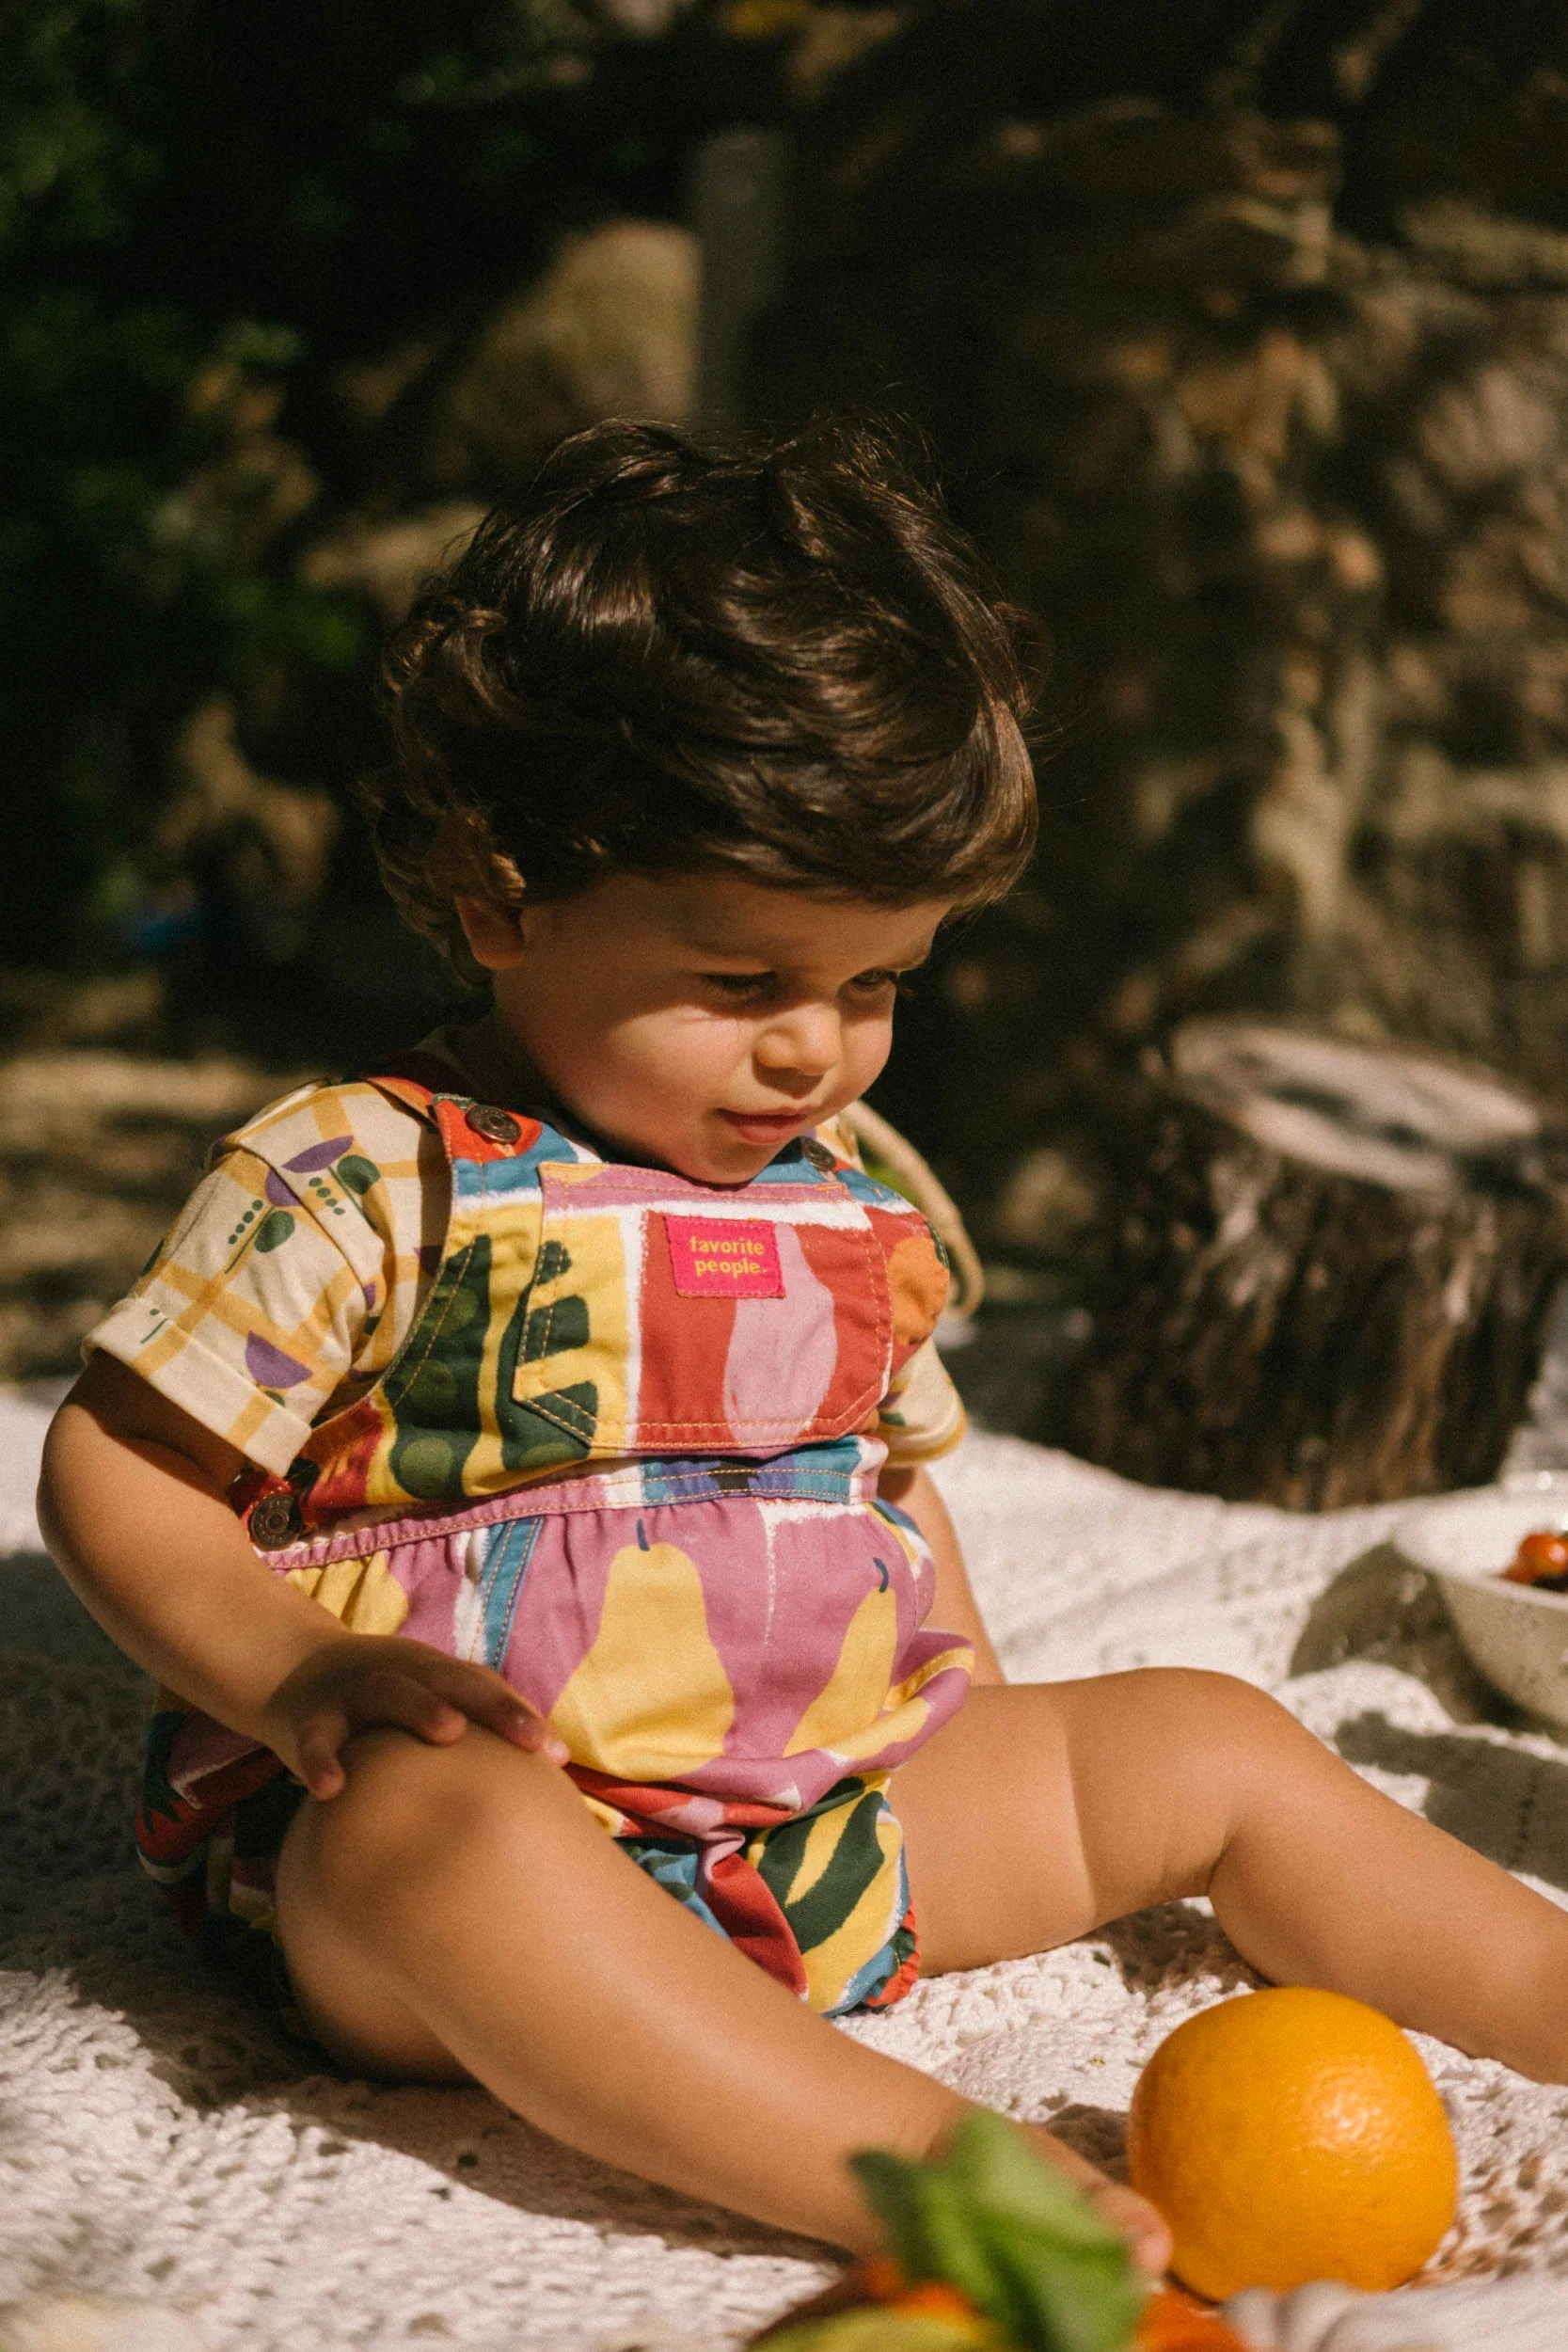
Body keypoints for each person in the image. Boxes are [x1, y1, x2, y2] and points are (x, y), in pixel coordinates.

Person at [38, 421, 1568, 2280]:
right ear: (499, 893)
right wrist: (296, 1678)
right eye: (747, 979)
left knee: (1203, 1737)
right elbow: (115, 1466)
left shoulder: (855, 1193)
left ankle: (1536, 1981)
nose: (811, 1050)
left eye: (874, 982)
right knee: (440, 1831)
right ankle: (920, 2168)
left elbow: (892, 1481)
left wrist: (973, 1714)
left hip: (802, 1812)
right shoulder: (363, 1172)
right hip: (442, 1854)